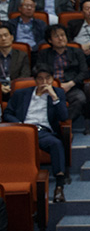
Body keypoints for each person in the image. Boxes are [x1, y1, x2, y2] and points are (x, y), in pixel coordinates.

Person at [3, 64, 68, 203]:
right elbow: (7, 113)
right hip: (23, 131)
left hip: (42, 132)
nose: (44, 82)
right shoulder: (21, 94)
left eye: (47, 78)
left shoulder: (58, 93)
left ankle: (59, 186)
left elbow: (64, 117)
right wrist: (20, 126)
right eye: (40, 79)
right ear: (35, 80)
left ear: (52, 79)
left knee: (56, 144)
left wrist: (54, 97)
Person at [0, 24, 31, 93]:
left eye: (6, 35)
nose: (3, 38)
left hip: (16, 89)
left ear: (12, 37)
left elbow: (25, 75)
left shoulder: (22, 55)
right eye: (0, 36)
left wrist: (11, 86)